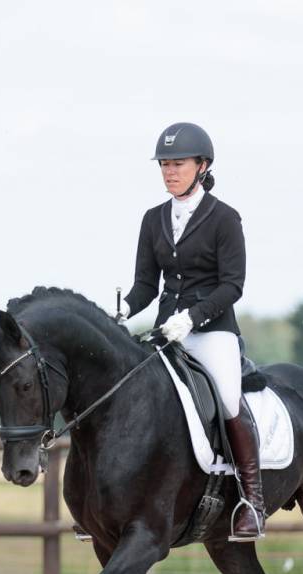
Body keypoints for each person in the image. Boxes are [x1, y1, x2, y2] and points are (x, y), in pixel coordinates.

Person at [120, 121, 265, 540]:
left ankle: (252, 500)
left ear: (202, 166)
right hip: (167, 329)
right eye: (164, 164)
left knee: (226, 398)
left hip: (212, 330)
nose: (169, 172)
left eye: (178, 164)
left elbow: (232, 285)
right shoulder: (153, 219)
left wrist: (194, 318)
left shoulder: (224, 218)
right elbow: (146, 286)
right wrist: (122, 312)